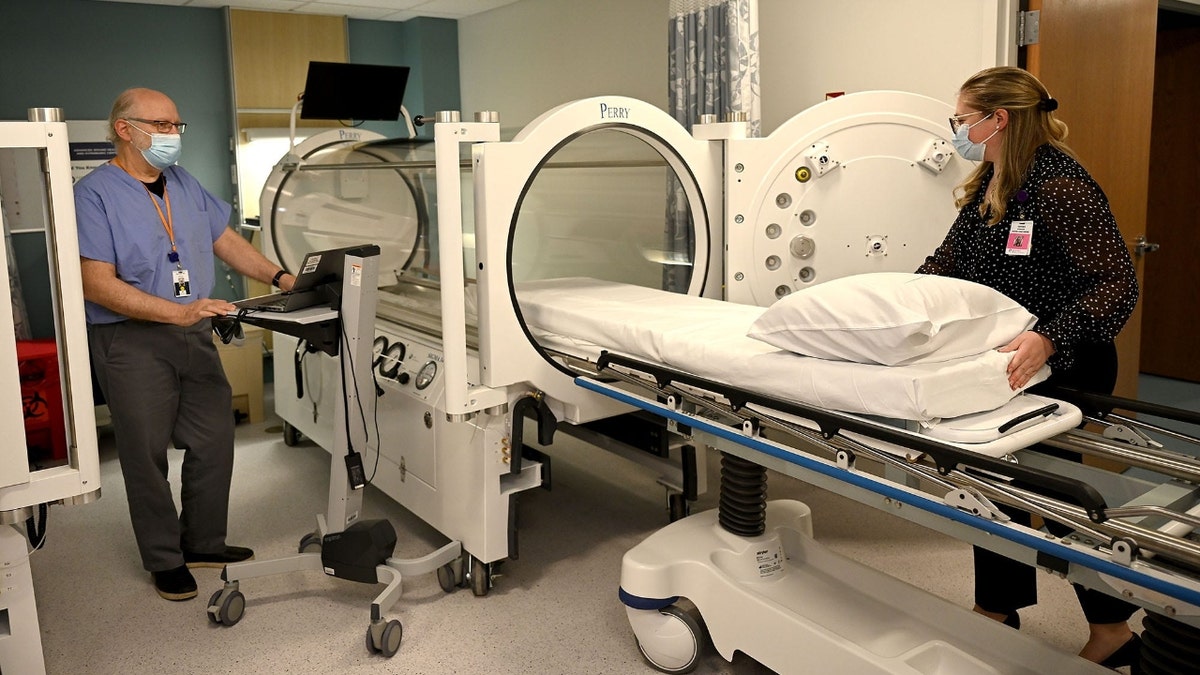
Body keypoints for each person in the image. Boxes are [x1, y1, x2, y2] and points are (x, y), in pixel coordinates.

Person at [916, 67, 1142, 669]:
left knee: (1054, 494)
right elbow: (947, 263)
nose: (958, 131)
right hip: (1003, 366)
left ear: (1000, 119)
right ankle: (998, 611)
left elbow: (1116, 284)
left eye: (963, 120)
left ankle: (1111, 630)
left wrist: (1048, 337)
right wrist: (899, 305)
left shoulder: (1063, 186)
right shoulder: (993, 181)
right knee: (989, 486)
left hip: (1068, 361)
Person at [75, 87, 296, 601]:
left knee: (214, 439)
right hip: (130, 341)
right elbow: (96, 283)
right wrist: (179, 311)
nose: (173, 136)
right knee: (145, 452)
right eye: (163, 125)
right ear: (124, 129)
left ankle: (202, 541)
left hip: (193, 331)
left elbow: (226, 241)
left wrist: (283, 277)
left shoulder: (183, 183)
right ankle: (164, 558)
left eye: (178, 126)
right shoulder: (94, 195)